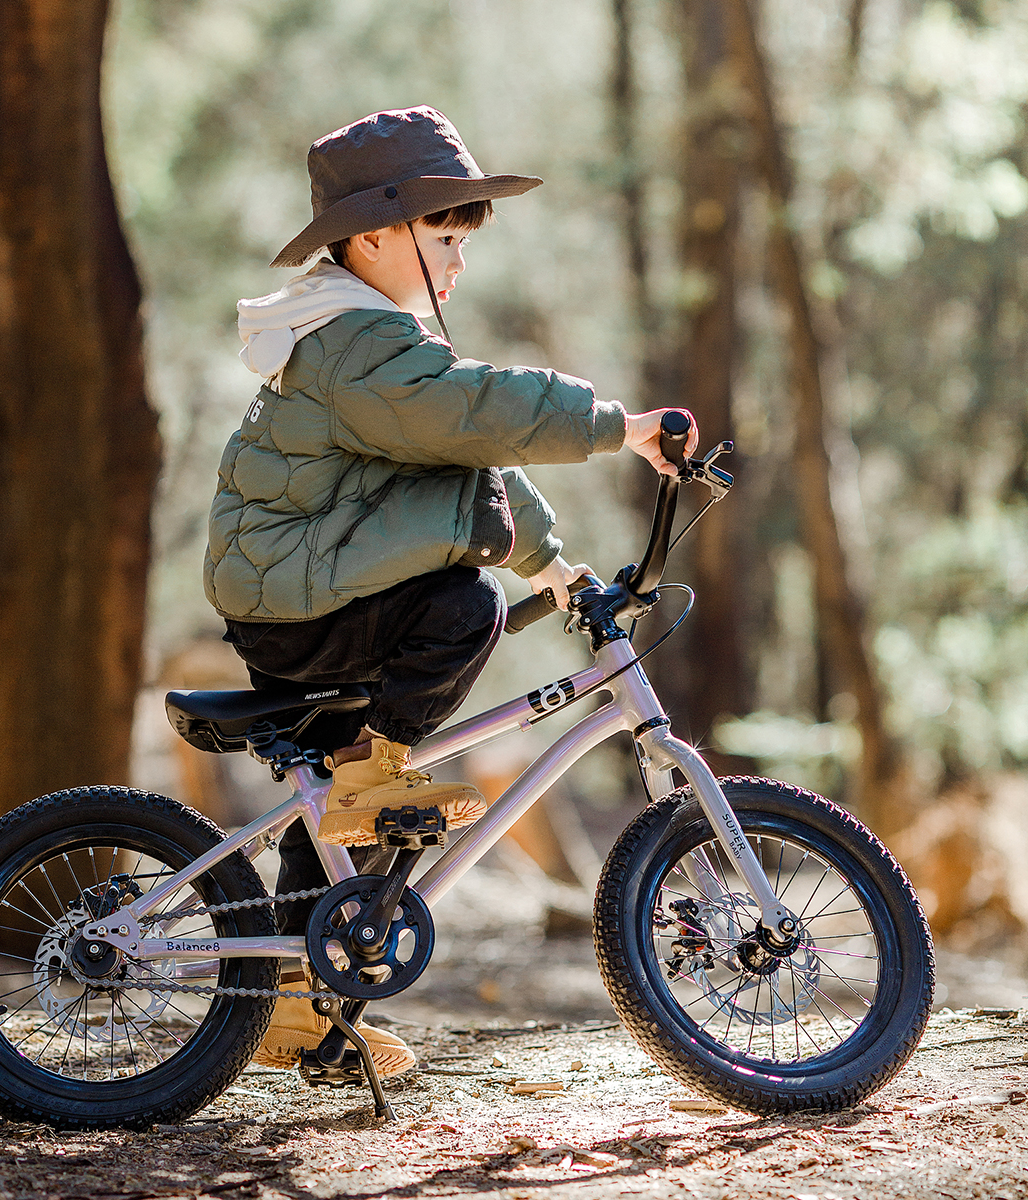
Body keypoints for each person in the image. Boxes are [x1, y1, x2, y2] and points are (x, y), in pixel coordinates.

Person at [205, 106, 696, 1078]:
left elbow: (470, 464)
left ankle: (300, 1010)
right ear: (375, 236)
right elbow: (471, 414)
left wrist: (555, 570)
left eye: (466, 241)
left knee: (361, 824)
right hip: (298, 597)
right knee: (460, 608)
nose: (460, 264)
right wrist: (618, 426)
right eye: (444, 238)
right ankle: (371, 770)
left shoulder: (365, 334)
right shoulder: (356, 344)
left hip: (300, 592)